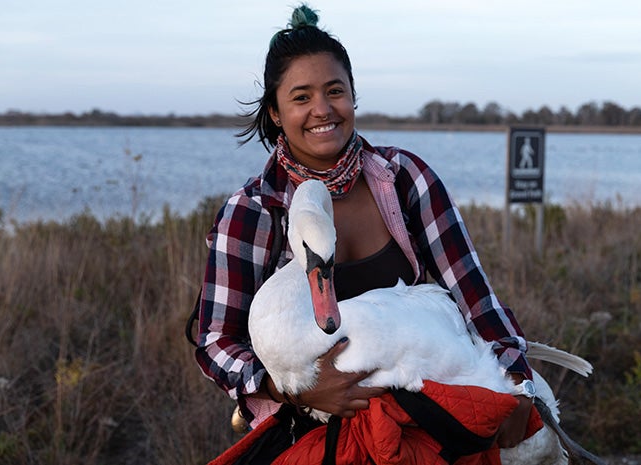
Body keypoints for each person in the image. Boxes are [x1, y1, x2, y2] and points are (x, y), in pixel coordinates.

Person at [195, 3, 534, 452]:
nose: (322, 110)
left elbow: (474, 296)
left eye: (334, 91)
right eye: (301, 97)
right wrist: (291, 388)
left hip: (423, 425)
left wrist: (517, 384)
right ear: (276, 112)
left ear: (353, 95)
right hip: (310, 429)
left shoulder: (405, 178)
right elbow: (215, 341)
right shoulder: (253, 212)